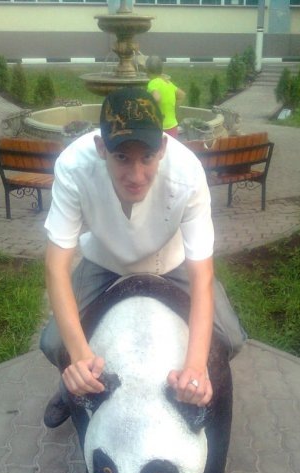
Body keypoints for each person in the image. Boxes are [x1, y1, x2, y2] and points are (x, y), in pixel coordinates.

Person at [40, 86, 245, 428]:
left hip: (171, 262)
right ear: (101, 148)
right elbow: (56, 266)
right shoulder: (73, 166)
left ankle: (197, 394)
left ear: (162, 147)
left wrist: (195, 365)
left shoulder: (188, 173)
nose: (136, 176)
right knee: (52, 343)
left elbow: (202, 275)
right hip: (104, 261)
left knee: (232, 337)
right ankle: (69, 387)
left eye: (147, 157)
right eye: (122, 157)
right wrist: (78, 355)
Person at [146, 56, 185, 138]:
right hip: (173, 125)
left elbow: (157, 98)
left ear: (147, 71)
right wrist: (174, 109)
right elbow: (182, 95)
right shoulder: (167, 82)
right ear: (161, 70)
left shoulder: (152, 83)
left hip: (160, 127)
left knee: (160, 146)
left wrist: (147, 108)